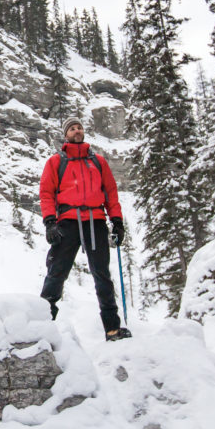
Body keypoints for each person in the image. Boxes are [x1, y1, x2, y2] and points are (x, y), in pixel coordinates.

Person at [39, 118, 132, 341]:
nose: (77, 130)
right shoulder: (56, 162)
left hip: (95, 221)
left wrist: (116, 222)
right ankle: (41, 325)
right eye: (72, 128)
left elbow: (110, 192)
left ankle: (112, 329)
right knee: (56, 273)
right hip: (67, 222)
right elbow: (46, 193)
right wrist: (50, 222)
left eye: (79, 127)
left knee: (102, 276)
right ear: (66, 135)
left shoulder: (98, 162)